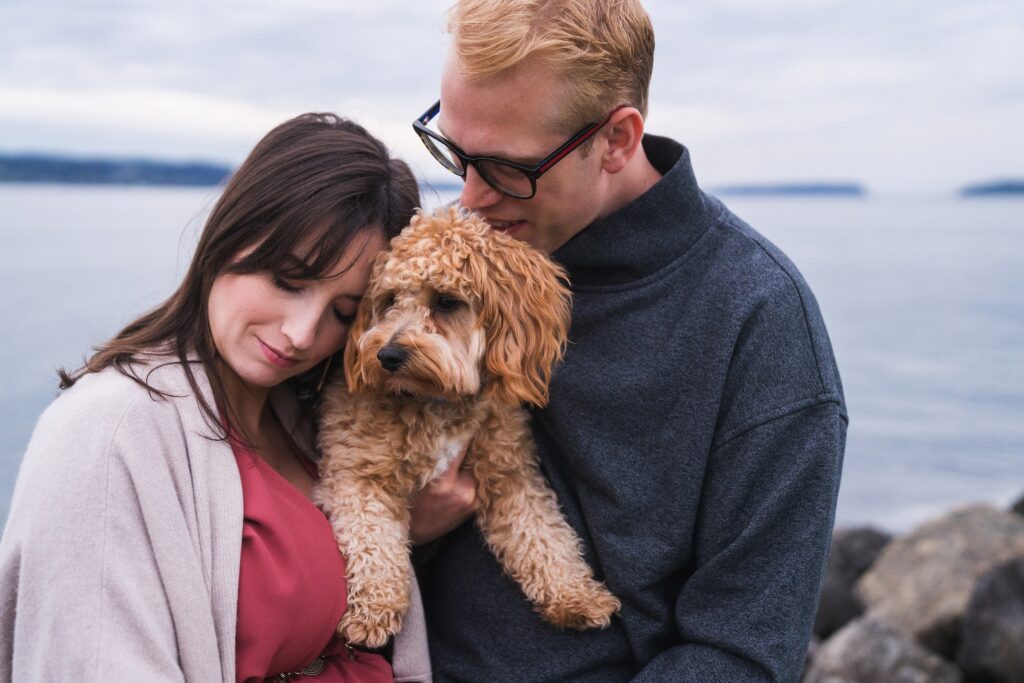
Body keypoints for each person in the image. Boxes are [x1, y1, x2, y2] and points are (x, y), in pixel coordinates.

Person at [408, 0, 848, 680]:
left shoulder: (757, 323)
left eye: (504, 168)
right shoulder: (442, 261)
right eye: (454, 153)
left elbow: (742, 653)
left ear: (617, 139)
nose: (467, 199)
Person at [0, 113, 432, 682]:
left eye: (343, 312)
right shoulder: (105, 433)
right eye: (287, 280)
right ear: (230, 233)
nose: (302, 334)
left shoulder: (315, 418)